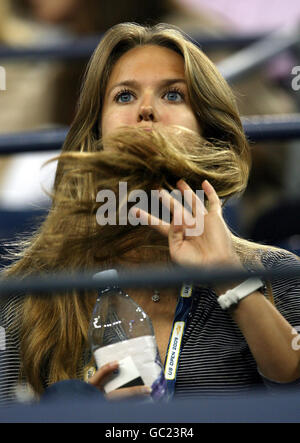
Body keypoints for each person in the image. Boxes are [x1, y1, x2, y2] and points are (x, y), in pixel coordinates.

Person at [1, 22, 300, 407]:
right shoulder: (31, 291)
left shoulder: (279, 272)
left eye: (173, 95)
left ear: (207, 129)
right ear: (96, 133)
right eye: (124, 96)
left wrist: (232, 280)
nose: (146, 109)